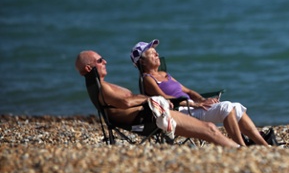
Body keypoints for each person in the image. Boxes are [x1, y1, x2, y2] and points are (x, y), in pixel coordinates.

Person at [75, 50, 242, 148]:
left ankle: (238, 148)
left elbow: (129, 100)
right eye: (99, 60)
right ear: (89, 67)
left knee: (209, 129)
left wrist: (146, 99)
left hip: (149, 115)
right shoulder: (103, 87)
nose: (105, 61)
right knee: (210, 129)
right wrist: (150, 99)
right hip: (148, 118)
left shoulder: (102, 86)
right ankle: (240, 151)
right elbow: (125, 102)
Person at [131, 40, 270, 147]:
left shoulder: (165, 75)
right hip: (179, 112)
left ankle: (264, 146)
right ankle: (242, 148)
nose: (157, 54)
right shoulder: (147, 79)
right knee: (227, 107)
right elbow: (164, 98)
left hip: (192, 107)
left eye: (156, 52)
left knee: (237, 106)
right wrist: (195, 103)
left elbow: (188, 91)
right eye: (152, 53)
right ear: (142, 62)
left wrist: (202, 100)